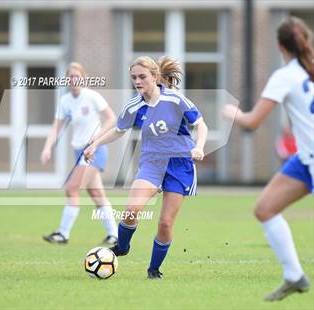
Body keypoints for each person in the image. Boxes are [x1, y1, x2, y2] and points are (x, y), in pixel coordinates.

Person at [84, 56, 208, 279]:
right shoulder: (134, 105)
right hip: (152, 162)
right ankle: (122, 247)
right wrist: (95, 144)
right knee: (132, 210)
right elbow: (119, 130)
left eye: (142, 77)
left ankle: (153, 269)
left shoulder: (175, 100)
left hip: (180, 165)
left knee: (165, 223)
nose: (137, 81)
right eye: (133, 78)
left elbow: (201, 125)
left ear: (155, 77)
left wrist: (199, 146)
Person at [223, 16, 313, 301]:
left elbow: (252, 122)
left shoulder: (285, 76)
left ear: (279, 46)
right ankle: (294, 276)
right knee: (265, 208)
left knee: (265, 210)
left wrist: (231, 113)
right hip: (304, 158)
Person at [41, 62, 118, 246]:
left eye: (77, 76)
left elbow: (112, 118)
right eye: (70, 76)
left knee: (72, 188)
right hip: (79, 152)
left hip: (94, 150)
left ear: (83, 78)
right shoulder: (65, 101)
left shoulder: (92, 97)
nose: (73, 79)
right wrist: (47, 147)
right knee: (97, 194)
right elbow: (56, 127)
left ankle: (63, 233)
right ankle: (115, 235)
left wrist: (97, 138)